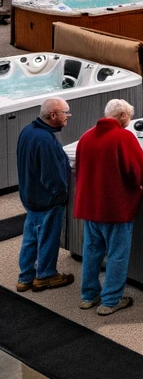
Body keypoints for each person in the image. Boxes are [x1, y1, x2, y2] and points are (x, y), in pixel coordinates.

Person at [74, 98, 143, 315]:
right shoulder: (123, 137)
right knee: (117, 254)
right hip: (115, 209)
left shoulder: (86, 136)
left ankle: (88, 296)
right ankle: (110, 301)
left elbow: (80, 170)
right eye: (129, 116)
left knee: (91, 251)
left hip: (91, 207)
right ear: (123, 116)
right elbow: (140, 169)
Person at [15, 97, 74, 293]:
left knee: (31, 237)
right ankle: (46, 276)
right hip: (46, 200)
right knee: (48, 237)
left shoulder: (27, 131)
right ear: (53, 115)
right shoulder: (45, 140)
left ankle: (25, 277)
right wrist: (61, 196)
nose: (69, 116)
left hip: (29, 196)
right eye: (66, 112)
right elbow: (51, 175)